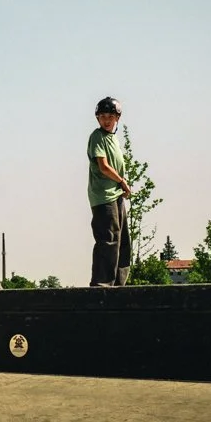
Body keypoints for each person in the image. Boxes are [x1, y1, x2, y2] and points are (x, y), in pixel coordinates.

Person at [87, 96, 132, 287]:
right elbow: (103, 166)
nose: (106, 120)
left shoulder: (113, 138)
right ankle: (102, 284)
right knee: (109, 238)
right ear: (97, 118)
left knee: (122, 240)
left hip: (116, 195)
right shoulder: (97, 136)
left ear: (117, 118)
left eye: (110, 116)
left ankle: (118, 284)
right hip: (104, 196)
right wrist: (122, 181)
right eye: (103, 116)